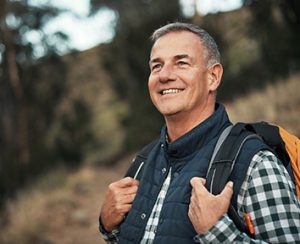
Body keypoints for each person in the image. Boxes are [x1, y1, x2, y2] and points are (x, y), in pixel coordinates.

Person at [99, 22, 300, 243]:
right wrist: (109, 227)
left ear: (213, 77)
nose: (164, 75)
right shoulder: (141, 164)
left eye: (181, 63)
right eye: (156, 66)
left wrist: (217, 233)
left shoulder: (255, 163)